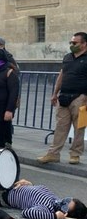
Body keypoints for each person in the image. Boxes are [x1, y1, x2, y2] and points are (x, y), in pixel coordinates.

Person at [38, 32, 87, 165]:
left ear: (84, 44)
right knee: (61, 126)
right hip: (63, 96)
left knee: (79, 128)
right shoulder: (67, 57)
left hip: (81, 97)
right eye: (71, 42)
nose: (72, 45)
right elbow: (61, 75)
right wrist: (55, 93)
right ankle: (53, 154)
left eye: (75, 43)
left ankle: (75, 154)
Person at [0, 178, 87, 219]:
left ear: (65, 213)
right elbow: (35, 190)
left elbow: (27, 212)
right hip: (6, 185)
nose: (62, 202)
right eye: (67, 200)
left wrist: (54, 216)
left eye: (65, 205)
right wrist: (28, 183)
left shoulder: (47, 209)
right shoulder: (54, 197)